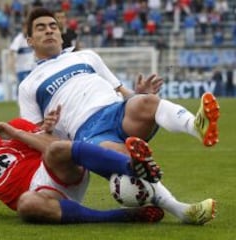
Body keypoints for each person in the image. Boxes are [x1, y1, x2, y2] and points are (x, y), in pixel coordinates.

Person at [0, 99, 215, 225]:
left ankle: (132, 168)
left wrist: (13, 132)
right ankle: (122, 216)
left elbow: (56, 145)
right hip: (45, 199)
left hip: (60, 171)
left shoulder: (18, 128)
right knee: (26, 204)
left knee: (54, 150)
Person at [18, 7, 220, 155]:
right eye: (41, 28)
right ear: (30, 40)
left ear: (61, 36)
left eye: (53, 26)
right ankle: (177, 208)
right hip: (85, 131)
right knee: (124, 158)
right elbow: (36, 134)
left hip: (116, 113)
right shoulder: (28, 85)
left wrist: (138, 94)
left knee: (147, 101)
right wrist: (48, 126)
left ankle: (197, 127)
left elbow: (124, 93)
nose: (48, 30)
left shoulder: (86, 56)